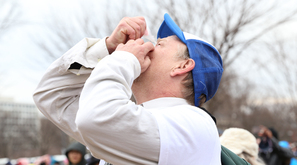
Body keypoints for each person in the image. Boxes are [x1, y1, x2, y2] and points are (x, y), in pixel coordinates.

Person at [33, 13, 224, 164]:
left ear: (182, 66)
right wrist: (107, 48)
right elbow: (50, 95)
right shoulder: (140, 117)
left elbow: (94, 118)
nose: (147, 46)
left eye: (159, 45)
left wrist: (123, 59)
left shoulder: (194, 125)